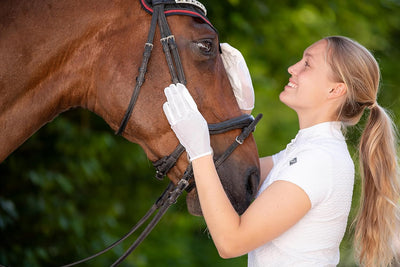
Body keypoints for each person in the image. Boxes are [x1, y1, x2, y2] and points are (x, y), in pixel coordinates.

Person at [162, 36, 400, 266]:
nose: (292, 68)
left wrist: (200, 151)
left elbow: (231, 242)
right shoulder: (306, 150)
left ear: (335, 90)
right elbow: (230, 177)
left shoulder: (320, 160)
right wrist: (238, 113)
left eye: (307, 64)